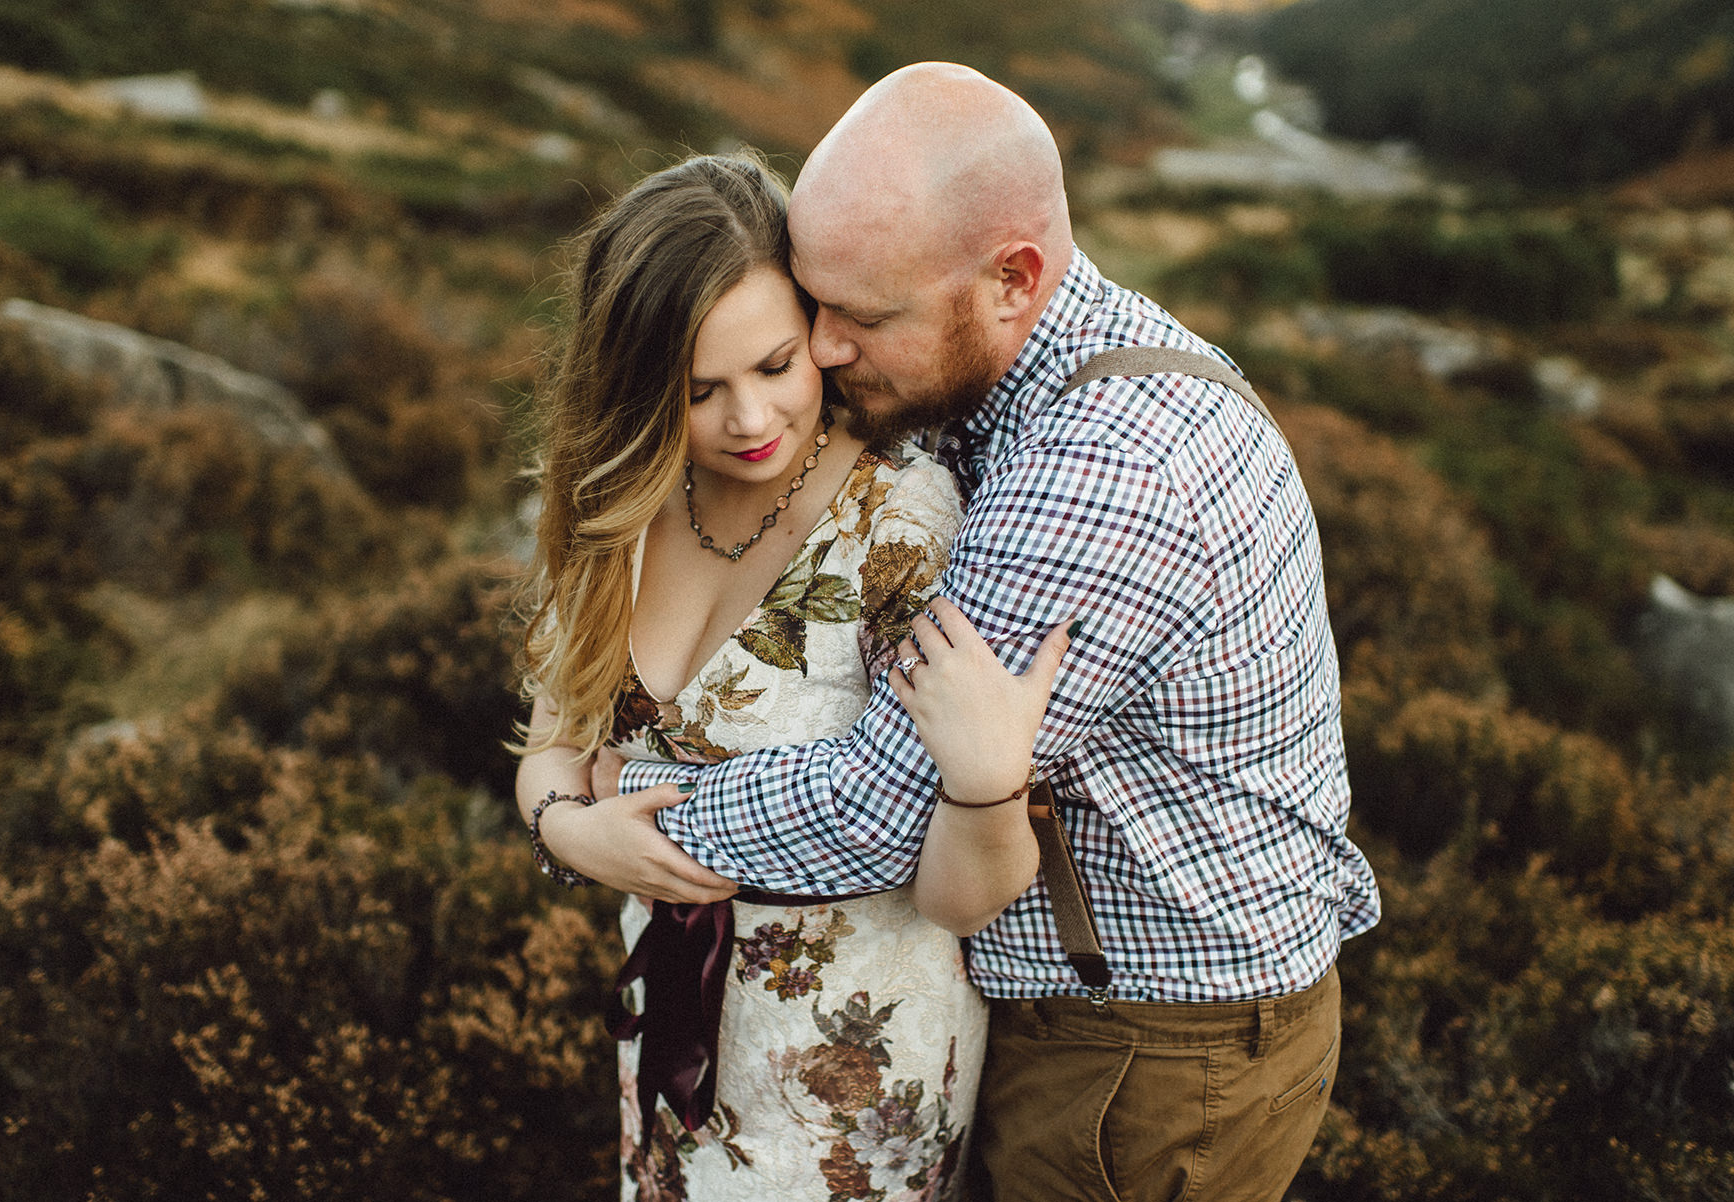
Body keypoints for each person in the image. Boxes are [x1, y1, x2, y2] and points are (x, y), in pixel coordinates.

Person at [548, 64, 1382, 1202]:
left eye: (860, 319)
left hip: (1146, 1040)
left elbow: (877, 809)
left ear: (1012, 278)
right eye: (816, 307)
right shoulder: (1010, 375)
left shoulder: (1101, 475)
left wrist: (609, 813)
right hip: (1064, 1005)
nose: (827, 352)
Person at [514, 150, 1068, 1202]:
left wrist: (988, 783)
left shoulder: (905, 521)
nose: (750, 421)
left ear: (820, 328)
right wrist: (569, 832)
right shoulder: (617, 504)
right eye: (699, 391)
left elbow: (971, 891)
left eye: (775, 366)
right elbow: (551, 747)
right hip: (669, 1031)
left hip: (854, 1074)